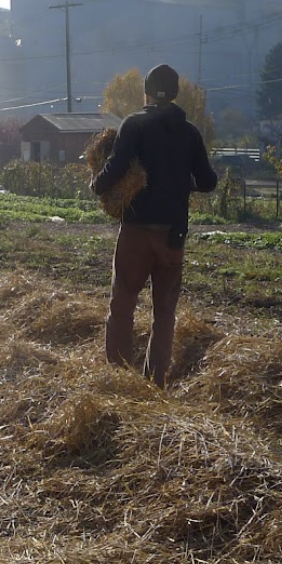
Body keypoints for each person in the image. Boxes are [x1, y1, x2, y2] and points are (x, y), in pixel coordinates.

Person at [90, 64, 218, 386]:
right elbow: (208, 181)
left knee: (123, 305)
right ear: (175, 94)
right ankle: (154, 383)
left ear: (146, 91)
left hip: (136, 232)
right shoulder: (189, 132)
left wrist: (97, 184)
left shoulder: (134, 124)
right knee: (164, 314)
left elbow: (116, 168)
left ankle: (119, 379)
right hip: (173, 235)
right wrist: (182, 181)